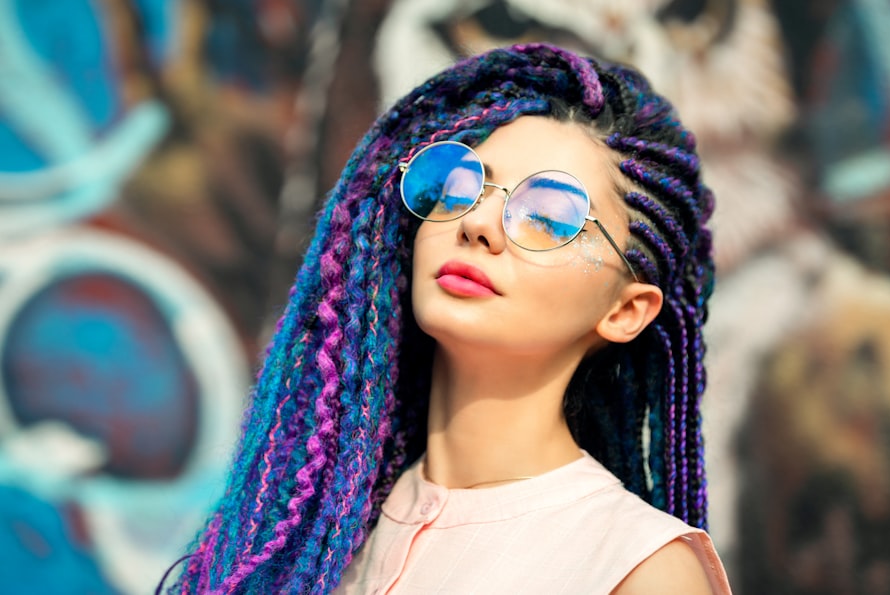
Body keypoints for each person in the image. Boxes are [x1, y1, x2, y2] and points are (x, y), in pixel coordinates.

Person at [166, 43, 730, 594]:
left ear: (625, 310)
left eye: (549, 214)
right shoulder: (306, 533)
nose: (477, 223)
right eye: (460, 183)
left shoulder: (638, 568)